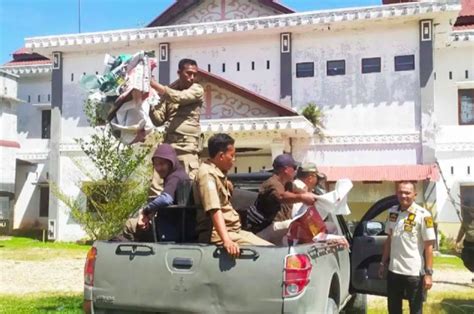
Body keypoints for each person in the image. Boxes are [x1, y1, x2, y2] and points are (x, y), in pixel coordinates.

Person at [194, 133, 272, 257]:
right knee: (268, 253)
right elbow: (214, 209)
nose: (234, 160)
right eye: (232, 155)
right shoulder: (207, 175)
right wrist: (227, 241)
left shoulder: (217, 173)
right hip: (219, 234)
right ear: (221, 156)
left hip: (234, 230)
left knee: (273, 249)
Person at [378, 181, 436, 314]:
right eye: (400, 192)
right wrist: (382, 263)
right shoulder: (392, 212)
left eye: (407, 192)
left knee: (415, 310)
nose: (403, 195)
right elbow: (389, 240)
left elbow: (429, 246)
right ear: (396, 194)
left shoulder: (423, 215)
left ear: (415, 195)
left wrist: (428, 274)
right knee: (393, 309)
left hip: (413, 273)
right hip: (394, 270)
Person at [148, 58, 203, 196]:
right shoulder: (169, 92)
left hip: (187, 148)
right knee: (156, 188)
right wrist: (148, 101)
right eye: (188, 73)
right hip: (169, 149)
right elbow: (158, 120)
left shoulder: (197, 89)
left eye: (194, 74)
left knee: (189, 190)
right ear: (179, 72)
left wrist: (154, 85)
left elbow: (179, 97)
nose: (192, 77)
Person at [122, 143, 189, 242]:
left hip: (169, 230)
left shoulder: (175, 177)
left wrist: (145, 211)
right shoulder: (180, 174)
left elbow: (166, 199)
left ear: (171, 163)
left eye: (162, 164)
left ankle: (133, 256)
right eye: (156, 165)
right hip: (173, 227)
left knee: (129, 225)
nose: (158, 168)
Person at [250, 154, 316, 245]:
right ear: (286, 169)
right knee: (296, 224)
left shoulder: (287, 184)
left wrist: (314, 197)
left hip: (277, 230)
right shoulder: (272, 183)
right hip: (264, 231)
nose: (295, 171)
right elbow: (282, 197)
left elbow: (300, 192)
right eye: (294, 167)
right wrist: (302, 198)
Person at [455, 204, 474, 278]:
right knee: (466, 259)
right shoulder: (466, 219)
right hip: (468, 244)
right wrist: (457, 241)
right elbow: (462, 231)